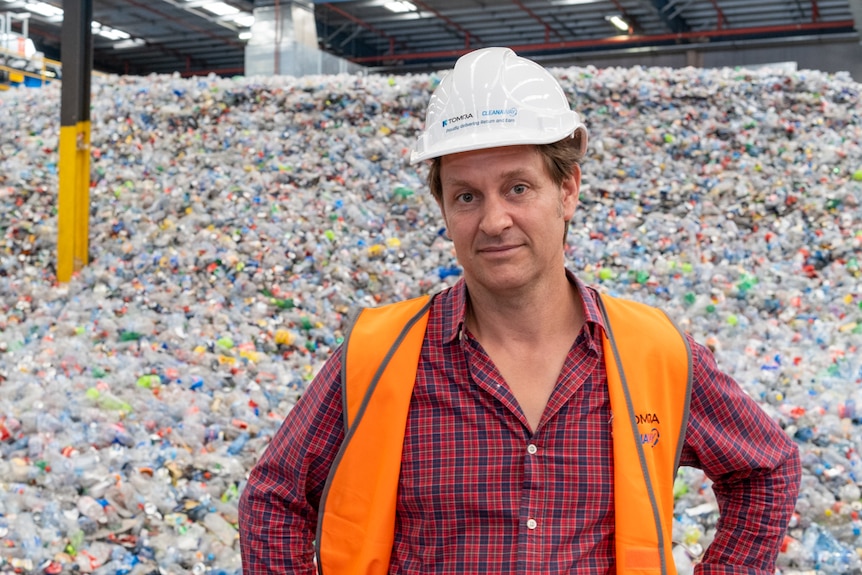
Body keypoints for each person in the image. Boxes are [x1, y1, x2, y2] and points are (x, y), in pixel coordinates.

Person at [238, 47, 801, 575]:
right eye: (466, 196)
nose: (493, 221)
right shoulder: (378, 356)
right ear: (443, 207)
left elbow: (766, 469)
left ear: (568, 190)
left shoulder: (653, 352)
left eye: (517, 188)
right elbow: (274, 497)